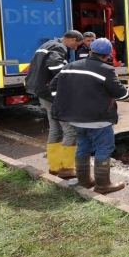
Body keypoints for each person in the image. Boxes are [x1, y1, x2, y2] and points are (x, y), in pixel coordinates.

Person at [49, 38, 129, 193]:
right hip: (98, 120)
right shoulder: (105, 70)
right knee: (104, 148)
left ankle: (84, 181)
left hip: (76, 119)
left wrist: (69, 102)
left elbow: (54, 87)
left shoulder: (70, 66)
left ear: (90, 52)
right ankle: (103, 185)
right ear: (108, 55)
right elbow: (120, 94)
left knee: (83, 146)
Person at [25, 30, 83, 178]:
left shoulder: (48, 44)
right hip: (51, 94)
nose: (76, 48)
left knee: (55, 129)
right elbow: (56, 68)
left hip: (41, 92)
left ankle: (55, 166)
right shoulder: (59, 47)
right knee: (71, 130)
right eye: (77, 44)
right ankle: (67, 168)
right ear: (72, 40)